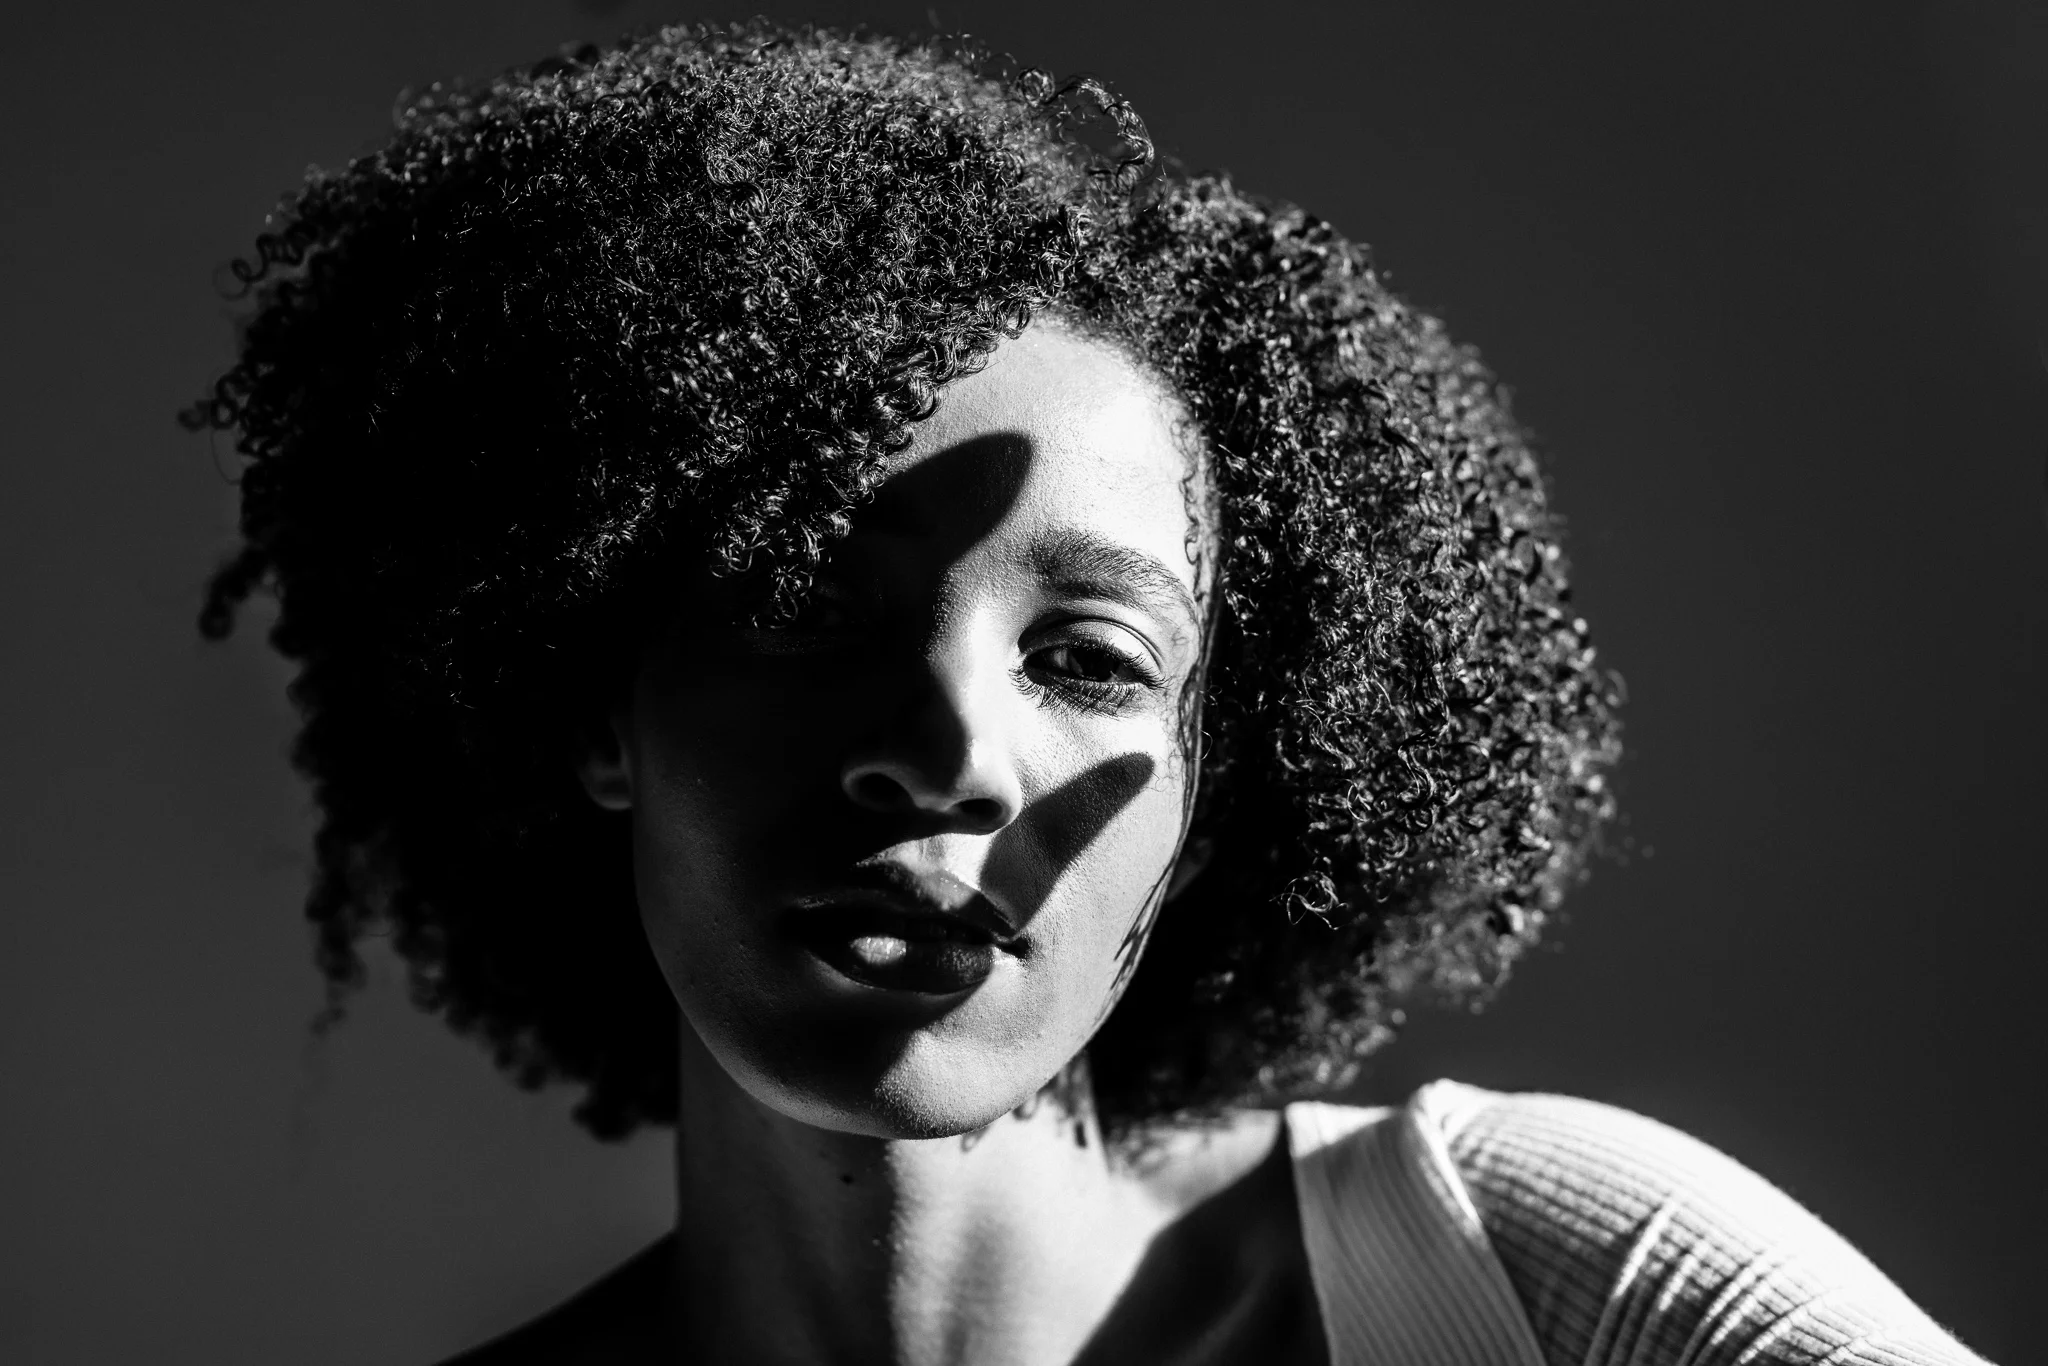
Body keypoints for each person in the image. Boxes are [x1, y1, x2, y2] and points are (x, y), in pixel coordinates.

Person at [188, 22, 1991, 1365]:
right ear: (599, 701)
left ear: (1210, 797)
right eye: (806, 602)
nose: (949, 753)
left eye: (1090, 661)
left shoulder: (1532, 1272)